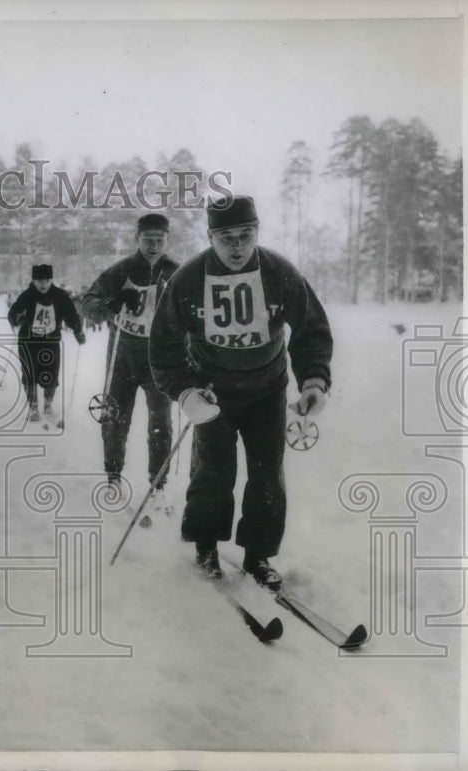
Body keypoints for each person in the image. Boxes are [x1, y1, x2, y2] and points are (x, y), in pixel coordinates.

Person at [148, 195, 333, 588]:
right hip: (212, 393)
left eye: (245, 236)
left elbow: (310, 329)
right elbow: (163, 346)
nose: (236, 247)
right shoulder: (189, 278)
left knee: (268, 474)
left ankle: (259, 555)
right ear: (210, 236)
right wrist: (185, 392)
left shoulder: (280, 272)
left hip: (267, 389)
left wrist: (314, 380)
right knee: (213, 471)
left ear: (257, 234)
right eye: (226, 237)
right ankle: (205, 547)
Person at [81, 213, 179, 510]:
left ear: (167, 240)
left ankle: (158, 485)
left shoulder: (176, 272)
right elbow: (88, 304)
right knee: (114, 418)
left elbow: (194, 313)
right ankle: (113, 477)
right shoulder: (121, 270)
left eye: (159, 240)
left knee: (160, 422)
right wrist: (109, 305)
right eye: (148, 239)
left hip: (158, 359)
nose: (153, 246)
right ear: (137, 239)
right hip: (123, 356)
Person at [7, 264, 86, 425]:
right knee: (29, 374)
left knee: (50, 373)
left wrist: (78, 331)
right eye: (39, 281)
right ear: (34, 281)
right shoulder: (27, 295)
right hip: (28, 342)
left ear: (51, 280)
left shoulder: (60, 295)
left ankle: (48, 405)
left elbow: (71, 314)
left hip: (50, 341)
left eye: (47, 281)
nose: (43, 285)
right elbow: (13, 312)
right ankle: (34, 407)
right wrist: (15, 317)